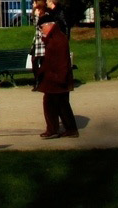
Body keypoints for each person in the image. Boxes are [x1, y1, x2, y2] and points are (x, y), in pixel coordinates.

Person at [33, 9, 78, 138]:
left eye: (42, 28)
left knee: (53, 104)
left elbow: (62, 60)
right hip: (54, 77)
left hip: (57, 77)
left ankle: (54, 129)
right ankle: (67, 129)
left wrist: (60, 77)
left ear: (49, 25)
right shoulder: (55, 37)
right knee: (60, 104)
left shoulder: (59, 39)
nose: (41, 31)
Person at [27, 0, 49, 84]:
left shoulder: (45, 15)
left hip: (42, 41)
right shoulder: (35, 14)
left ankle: (42, 80)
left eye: (34, 3)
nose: (32, 5)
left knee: (43, 61)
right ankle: (37, 80)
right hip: (36, 41)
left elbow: (41, 26)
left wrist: (36, 16)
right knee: (34, 61)